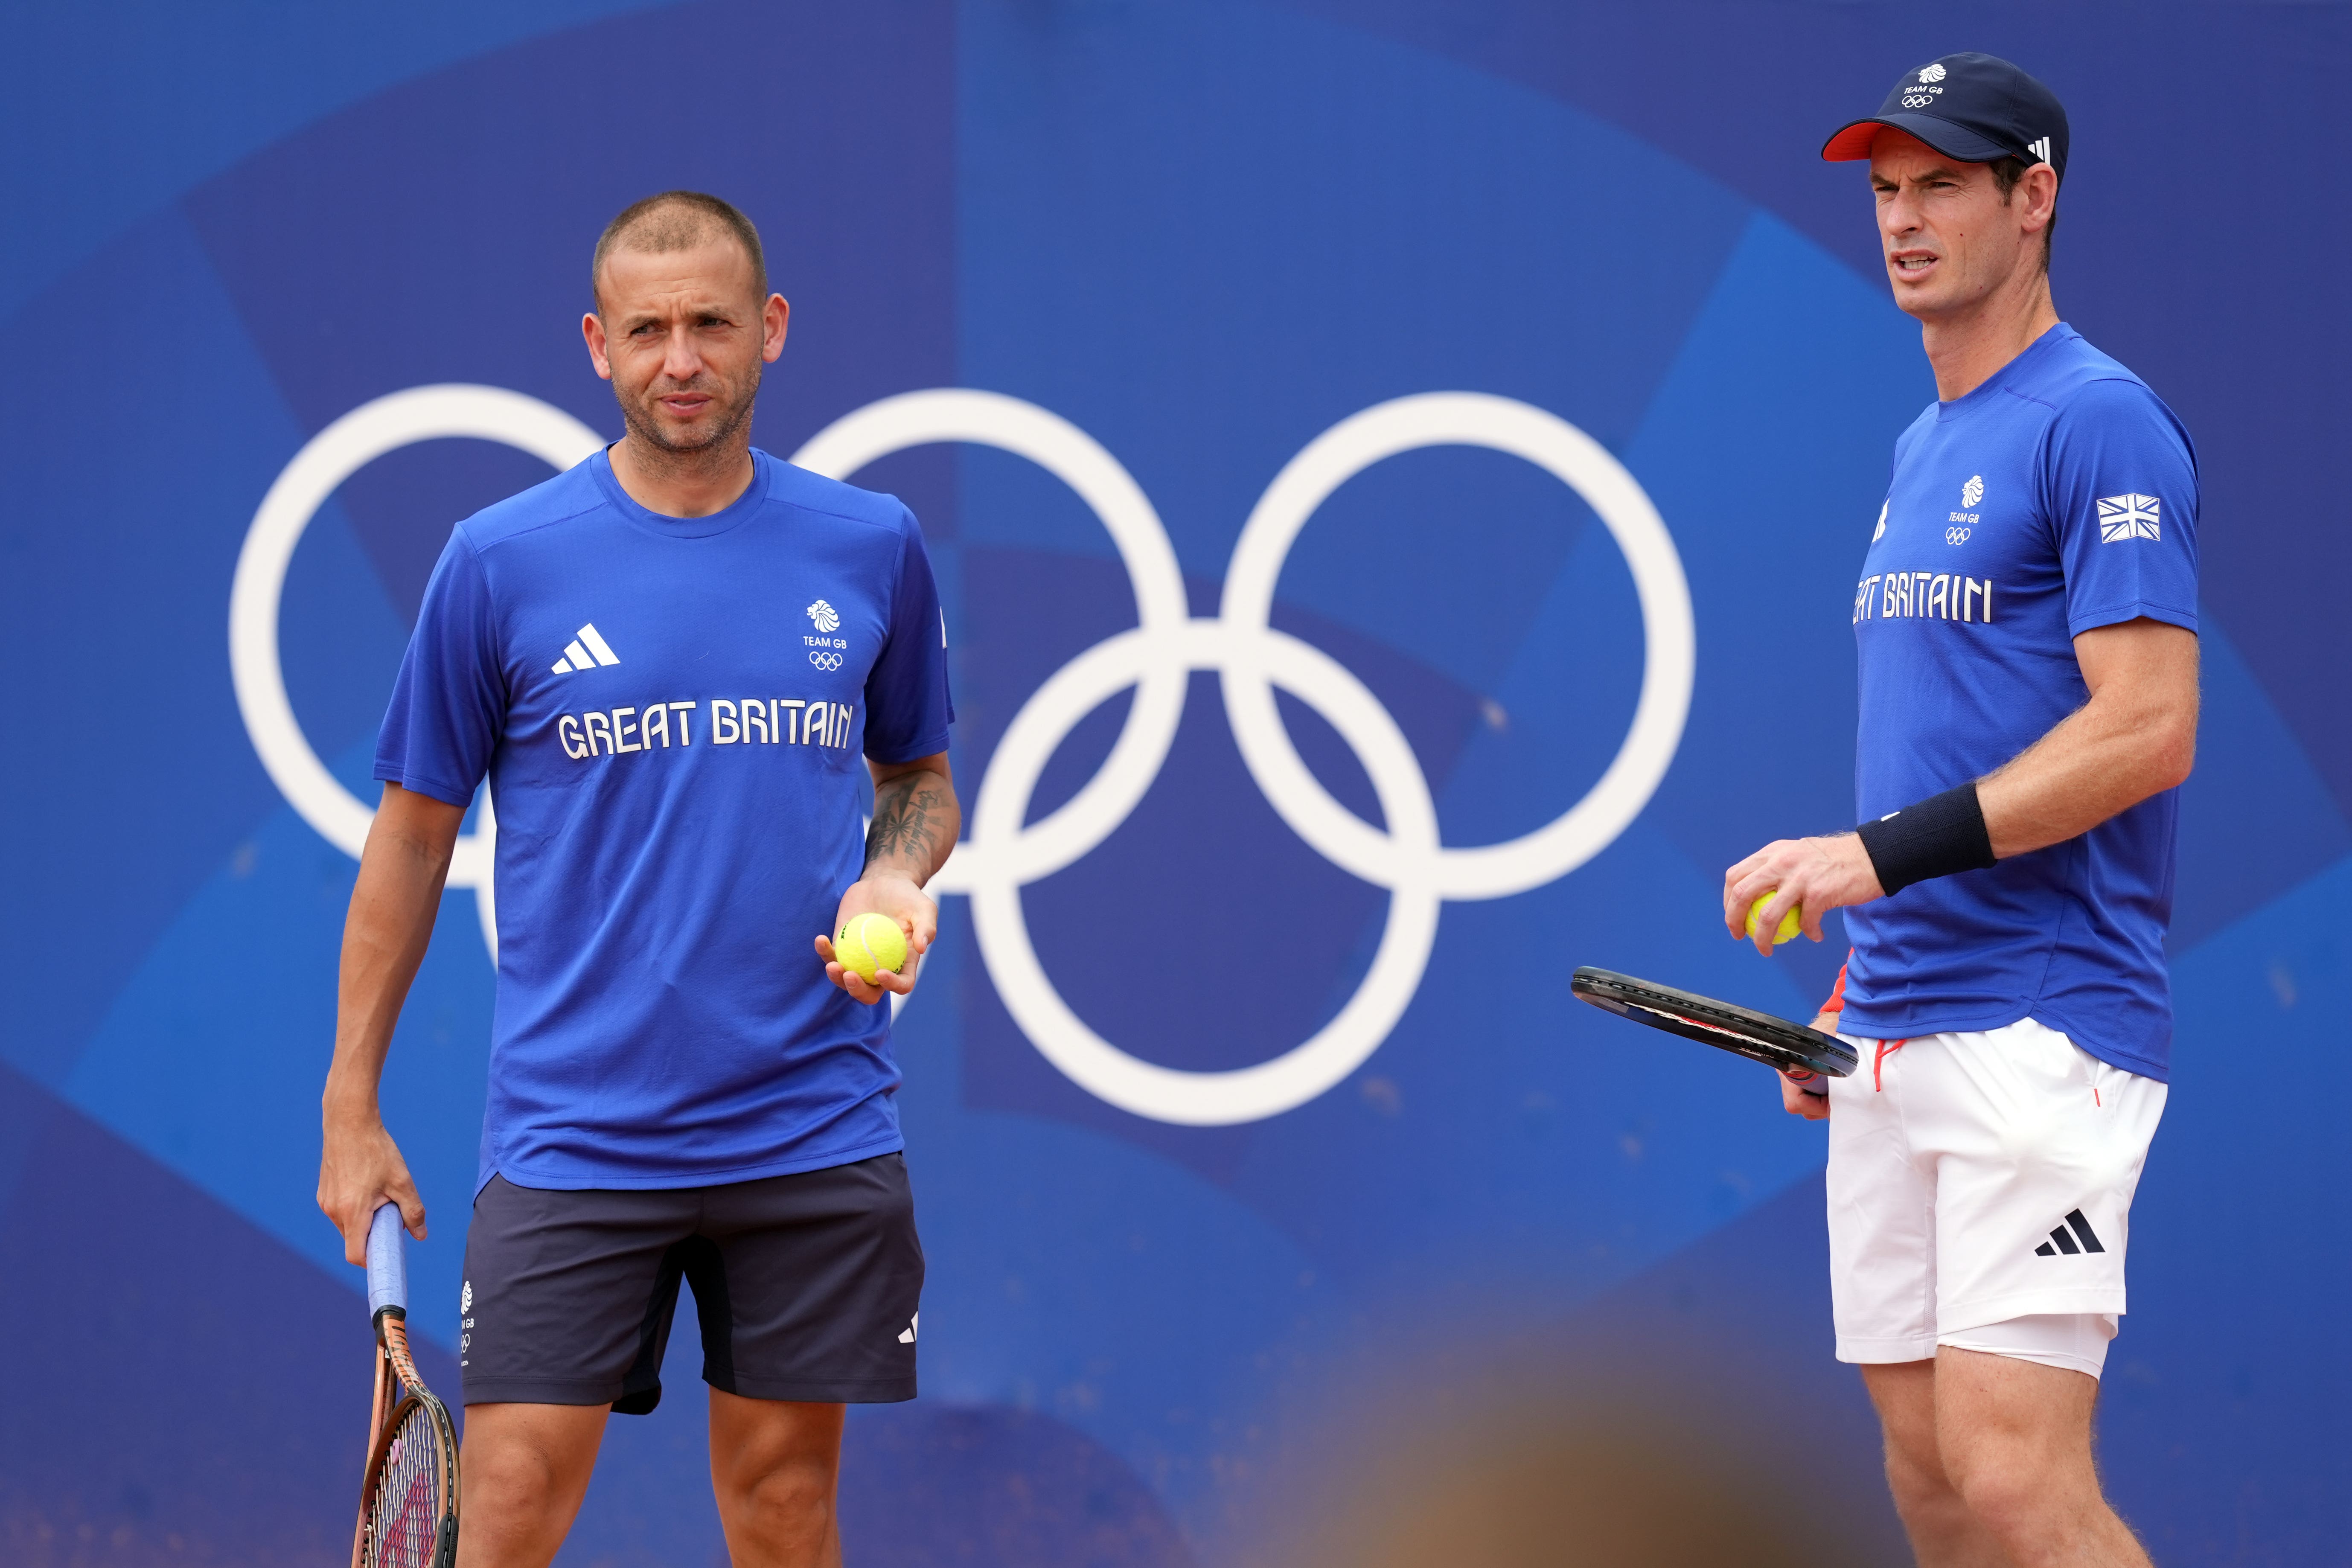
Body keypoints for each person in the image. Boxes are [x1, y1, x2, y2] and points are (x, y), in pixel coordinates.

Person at [315, 190, 959, 1568]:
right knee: (505, 1511)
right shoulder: (498, 562)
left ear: (769, 332)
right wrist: (351, 1103)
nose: (683, 358)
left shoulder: (872, 543)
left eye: (713, 324)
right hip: (577, 1135)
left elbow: (917, 782)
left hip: (811, 1123)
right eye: (650, 329)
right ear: (598, 345)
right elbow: (412, 840)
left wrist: (894, 880)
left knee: (786, 1513)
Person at [1721, 55, 2198, 1568]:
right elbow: (1942, 745)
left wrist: (1872, 861)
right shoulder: (1924, 445)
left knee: (2012, 1479)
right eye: (1886, 193)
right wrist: (1861, 983)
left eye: (1943, 185)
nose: (1906, 220)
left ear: (2034, 198)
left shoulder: (2103, 420)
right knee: (1931, 1483)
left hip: (2047, 1022)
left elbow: (2149, 729)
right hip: (1899, 1029)